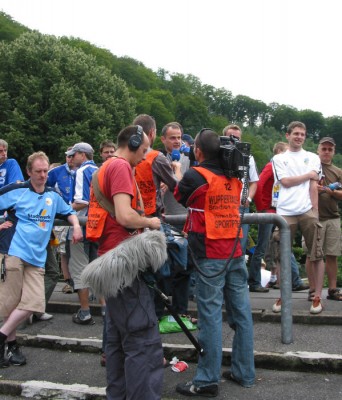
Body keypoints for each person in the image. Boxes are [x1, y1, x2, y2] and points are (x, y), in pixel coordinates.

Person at [174, 128, 255, 397]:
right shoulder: (235, 178)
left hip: (209, 256)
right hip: (234, 252)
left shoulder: (194, 176)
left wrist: (177, 170)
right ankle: (245, 373)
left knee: (209, 318)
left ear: (197, 151)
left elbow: (179, 196)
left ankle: (207, 378)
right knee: (241, 315)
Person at [91, 125, 163, 399]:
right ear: (132, 143)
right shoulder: (121, 167)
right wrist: (150, 222)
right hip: (123, 263)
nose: (145, 157)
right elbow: (124, 216)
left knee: (117, 342)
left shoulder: (104, 168)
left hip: (108, 262)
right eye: (143, 150)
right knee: (142, 339)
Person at [0, 151, 83, 368]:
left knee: (34, 302)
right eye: (38, 171)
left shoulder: (52, 196)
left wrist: (75, 226)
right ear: (29, 171)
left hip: (37, 257)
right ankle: (12, 346)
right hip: (13, 251)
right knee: (10, 304)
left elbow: (68, 211)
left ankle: (2, 338)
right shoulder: (16, 190)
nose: (43, 175)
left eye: (46, 171)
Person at [271, 121, 324, 314]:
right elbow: (284, 182)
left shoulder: (312, 157)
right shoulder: (279, 158)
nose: (299, 137)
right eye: (296, 133)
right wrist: (308, 174)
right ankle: (284, 295)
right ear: (288, 135)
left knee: (316, 252)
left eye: (302, 134)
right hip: (285, 210)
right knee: (281, 253)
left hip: (307, 209)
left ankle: (317, 296)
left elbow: (313, 186)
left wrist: (315, 211)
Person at [250, 142, 309, 292]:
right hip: (269, 212)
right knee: (262, 247)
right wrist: (263, 208)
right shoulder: (272, 166)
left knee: (282, 243)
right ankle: (255, 281)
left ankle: (294, 279)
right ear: (279, 152)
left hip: (277, 211)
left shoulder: (281, 169)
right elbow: (259, 184)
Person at [305, 137, 342, 301]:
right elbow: (301, 189)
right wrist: (315, 190)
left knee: (332, 254)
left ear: (333, 152)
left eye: (330, 149)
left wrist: (328, 190)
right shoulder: (310, 167)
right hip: (312, 216)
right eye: (324, 149)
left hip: (333, 217)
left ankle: (333, 289)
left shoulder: (338, 171)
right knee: (310, 254)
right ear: (318, 150)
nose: (326, 152)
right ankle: (313, 289)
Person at [66, 142, 99, 325]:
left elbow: (81, 201)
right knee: (99, 269)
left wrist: (64, 209)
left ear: (82, 155)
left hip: (83, 224)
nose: (71, 158)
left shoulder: (81, 171)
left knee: (79, 269)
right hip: (99, 226)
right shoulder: (101, 170)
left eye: (73, 155)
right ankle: (105, 310)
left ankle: (85, 312)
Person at [222, 124, 259, 254]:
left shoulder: (248, 157)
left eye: (237, 138)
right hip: (223, 205)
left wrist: (248, 198)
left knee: (240, 245)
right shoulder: (218, 155)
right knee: (223, 244)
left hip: (241, 205)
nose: (235, 141)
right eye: (231, 138)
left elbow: (254, 181)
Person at [134, 114, 178, 217]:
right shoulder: (156, 157)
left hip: (128, 213)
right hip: (151, 215)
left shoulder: (121, 157)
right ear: (152, 133)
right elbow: (175, 186)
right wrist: (177, 170)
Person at [47, 148, 77, 294]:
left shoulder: (84, 170)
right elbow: (43, 186)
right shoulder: (56, 172)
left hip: (79, 216)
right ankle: (68, 282)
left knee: (78, 251)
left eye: (73, 156)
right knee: (64, 251)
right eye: (68, 156)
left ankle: (81, 282)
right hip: (62, 218)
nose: (70, 159)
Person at [0, 139, 24, 216]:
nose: (4, 153)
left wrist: (11, 208)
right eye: (0, 151)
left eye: (5, 150)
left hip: (6, 212)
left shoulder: (11, 163)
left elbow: (16, 187)